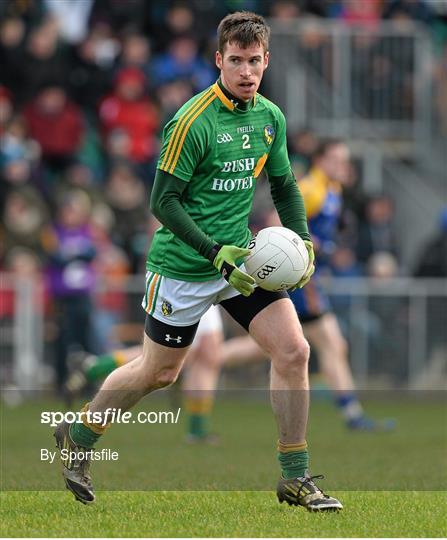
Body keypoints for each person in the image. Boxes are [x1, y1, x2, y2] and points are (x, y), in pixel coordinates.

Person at [54, 11, 342, 511]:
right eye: (236, 60)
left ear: (266, 60)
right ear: (219, 60)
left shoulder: (270, 117)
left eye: (255, 61)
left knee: (294, 351)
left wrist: (302, 241)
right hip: (184, 267)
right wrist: (213, 252)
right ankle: (78, 436)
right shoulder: (191, 120)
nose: (246, 71)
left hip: (242, 262)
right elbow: (162, 203)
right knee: (157, 373)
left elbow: (285, 185)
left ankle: (295, 476)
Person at [221, 140, 396, 431]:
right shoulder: (312, 189)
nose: (343, 166)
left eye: (345, 160)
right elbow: (275, 224)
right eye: (337, 160)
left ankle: (203, 361)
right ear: (320, 160)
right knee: (329, 343)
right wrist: (302, 248)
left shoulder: (332, 189)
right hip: (302, 283)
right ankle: (352, 415)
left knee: (276, 346)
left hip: (308, 279)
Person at [64, 304, 224, 443]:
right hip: (191, 276)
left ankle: (197, 428)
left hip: (209, 277)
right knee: (169, 358)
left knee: (201, 353)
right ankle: (95, 371)